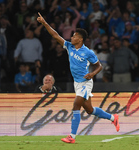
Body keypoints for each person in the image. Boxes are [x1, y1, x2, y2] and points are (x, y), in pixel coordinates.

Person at [37, 12, 120, 144]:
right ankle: (113, 117)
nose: (72, 37)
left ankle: (72, 136)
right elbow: (55, 35)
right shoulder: (69, 47)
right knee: (89, 110)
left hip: (85, 83)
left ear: (80, 39)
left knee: (76, 106)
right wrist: (44, 23)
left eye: (74, 35)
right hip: (77, 83)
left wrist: (92, 74)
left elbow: (99, 66)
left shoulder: (88, 52)